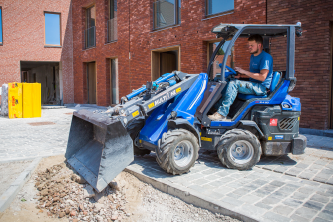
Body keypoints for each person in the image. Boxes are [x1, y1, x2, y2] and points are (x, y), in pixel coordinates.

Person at [208, 34, 273, 121]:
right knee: (227, 82)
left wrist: (244, 71)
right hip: (253, 84)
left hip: (260, 87)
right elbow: (252, 74)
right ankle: (215, 108)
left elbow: (262, 77)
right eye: (249, 45)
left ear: (259, 45)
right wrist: (240, 73)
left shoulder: (266, 57)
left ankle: (222, 114)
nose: (249, 47)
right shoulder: (253, 56)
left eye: (251, 45)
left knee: (233, 84)